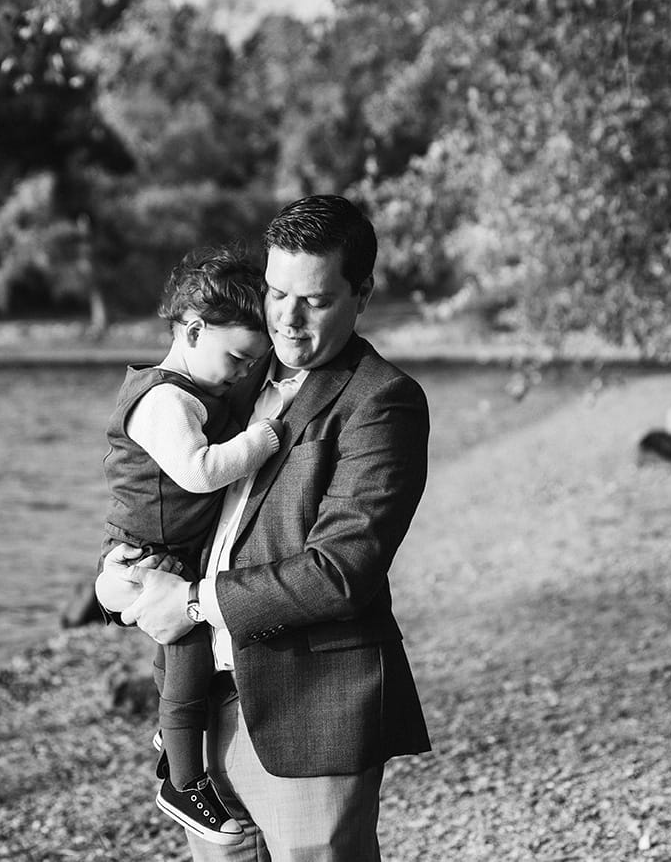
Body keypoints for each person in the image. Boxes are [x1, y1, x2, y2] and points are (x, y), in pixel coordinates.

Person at [103, 194, 431, 861]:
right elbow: (164, 493)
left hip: (310, 711)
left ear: (360, 294)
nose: (287, 316)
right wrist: (116, 572)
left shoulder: (381, 401)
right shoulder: (231, 373)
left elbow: (340, 571)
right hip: (204, 710)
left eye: (312, 298)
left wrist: (192, 601)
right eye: (277, 292)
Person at [95, 247, 284, 845]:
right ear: (193, 329)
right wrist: (265, 438)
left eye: (252, 362)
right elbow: (199, 472)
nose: (241, 371)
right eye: (236, 357)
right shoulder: (164, 400)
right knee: (187, 665)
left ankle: (171, 737)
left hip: (166, 553)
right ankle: (183, 782)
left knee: (177, 673)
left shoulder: (200, 382)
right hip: (147, 557)